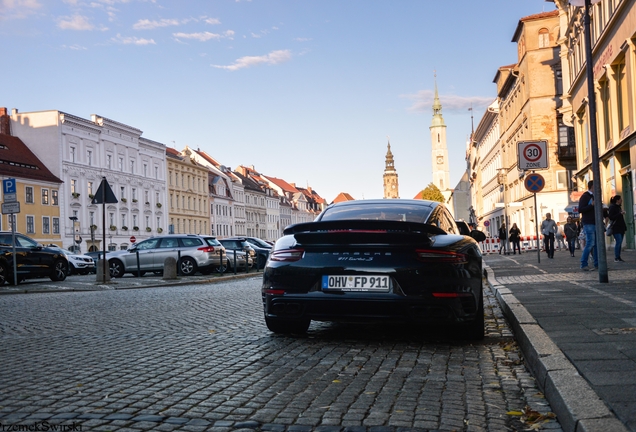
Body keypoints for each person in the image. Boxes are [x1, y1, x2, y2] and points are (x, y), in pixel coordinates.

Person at [578, 180, 599, 270]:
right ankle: (583, 264)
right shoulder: (585, 196)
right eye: (597, 186)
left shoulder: (595, 196)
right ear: (592, 186)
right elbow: (580, 209)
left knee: (597, 244)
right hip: (589, 222)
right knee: (590, 243)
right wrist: (591, 205)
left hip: (596, 222)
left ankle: (598, 264)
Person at [607, 195, 627, 262]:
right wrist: (620, 214)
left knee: (620, 242)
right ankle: (616, 257)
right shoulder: (612, 207)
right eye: (620, 199)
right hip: (616, 228)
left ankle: (618, 256)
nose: (621, 200)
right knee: (618, 241)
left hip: (621, 227)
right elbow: (611, 217)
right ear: (617, 200)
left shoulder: (618, 207)